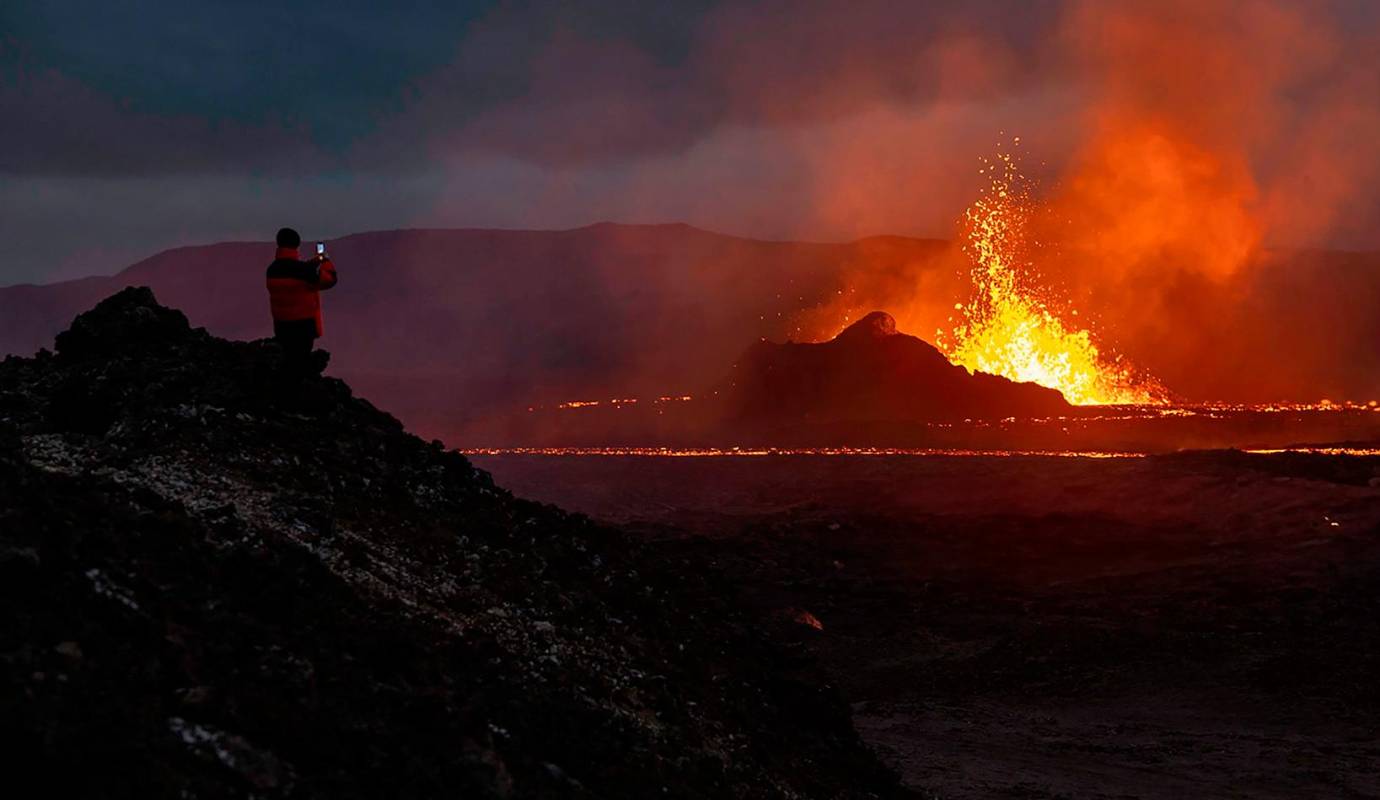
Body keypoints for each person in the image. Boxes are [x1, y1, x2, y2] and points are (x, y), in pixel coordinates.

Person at [266, 227, 338, 371]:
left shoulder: (272, 269)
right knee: (300, 363)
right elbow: (329, 280)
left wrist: (313, 262)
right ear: (297, 245)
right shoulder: (304, 272)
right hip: (303, 326)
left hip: (282, 325)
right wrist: (325, 262)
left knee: (287, 361)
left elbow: (293, 273)